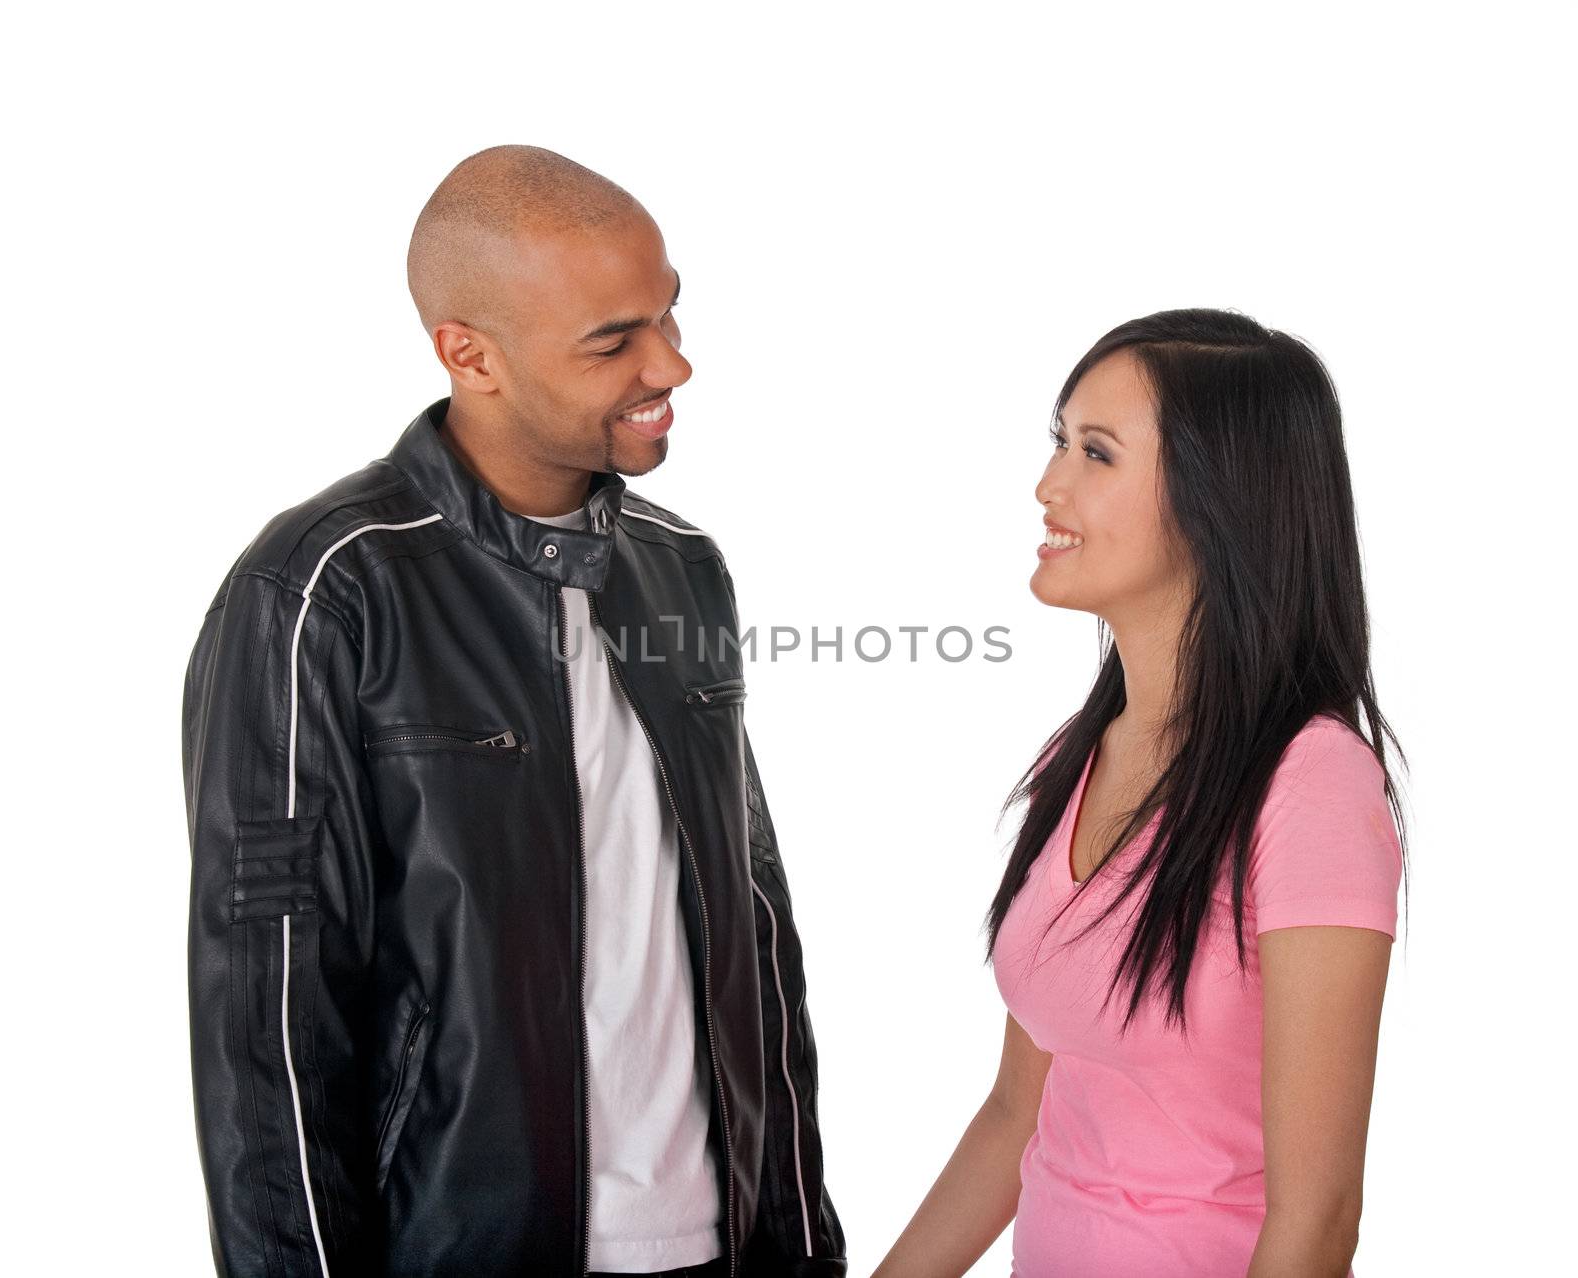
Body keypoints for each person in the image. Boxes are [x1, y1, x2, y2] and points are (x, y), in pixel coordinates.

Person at [181, 144, 846, 1278]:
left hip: (719, 1244)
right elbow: (269, 1014)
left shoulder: (681, 566)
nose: (672, 364)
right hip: (462, 1245)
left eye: (669, 314)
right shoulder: (326, 588)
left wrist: (801, 1242)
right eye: (614, 340)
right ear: (467, 354)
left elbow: (756, 926)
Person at [875, 309, 1408, 1277]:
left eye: (1096, 453)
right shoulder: (1072, 763)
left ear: (1220, 500)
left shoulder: (1313, 786)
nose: (1047, 486)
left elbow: (1318, 1218)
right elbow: (1012, 1118)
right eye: (1057, 443)